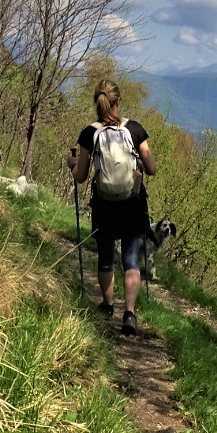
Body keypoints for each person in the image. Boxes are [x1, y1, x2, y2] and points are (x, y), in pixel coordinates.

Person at [71, 79, 157, 335]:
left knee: (106, 258)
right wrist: (139, 163)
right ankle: (129, 314)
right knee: (130, 259)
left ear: (97, 103)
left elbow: (82, 176)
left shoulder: (90, 133)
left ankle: (108, 306)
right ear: (118, 101)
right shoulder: (135, 130)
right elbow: (152, 169)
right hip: (132, 202)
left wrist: (72, 164)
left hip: (104, 204)